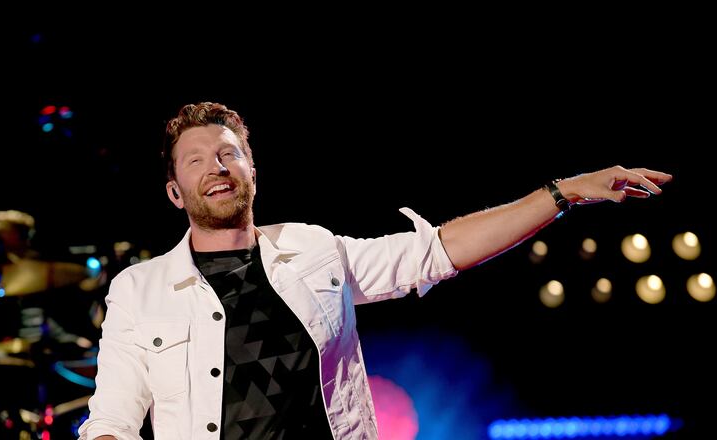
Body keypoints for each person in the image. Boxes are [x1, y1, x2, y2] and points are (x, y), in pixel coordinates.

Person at [78, 102, 672, 440]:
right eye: (195, 160)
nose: (216, 167)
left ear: (251, 169)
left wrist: (564, 192)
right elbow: (112, 421)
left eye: (228, 153)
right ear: (174, 192)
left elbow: (438, 251)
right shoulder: (140, 290)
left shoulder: (313, 250)